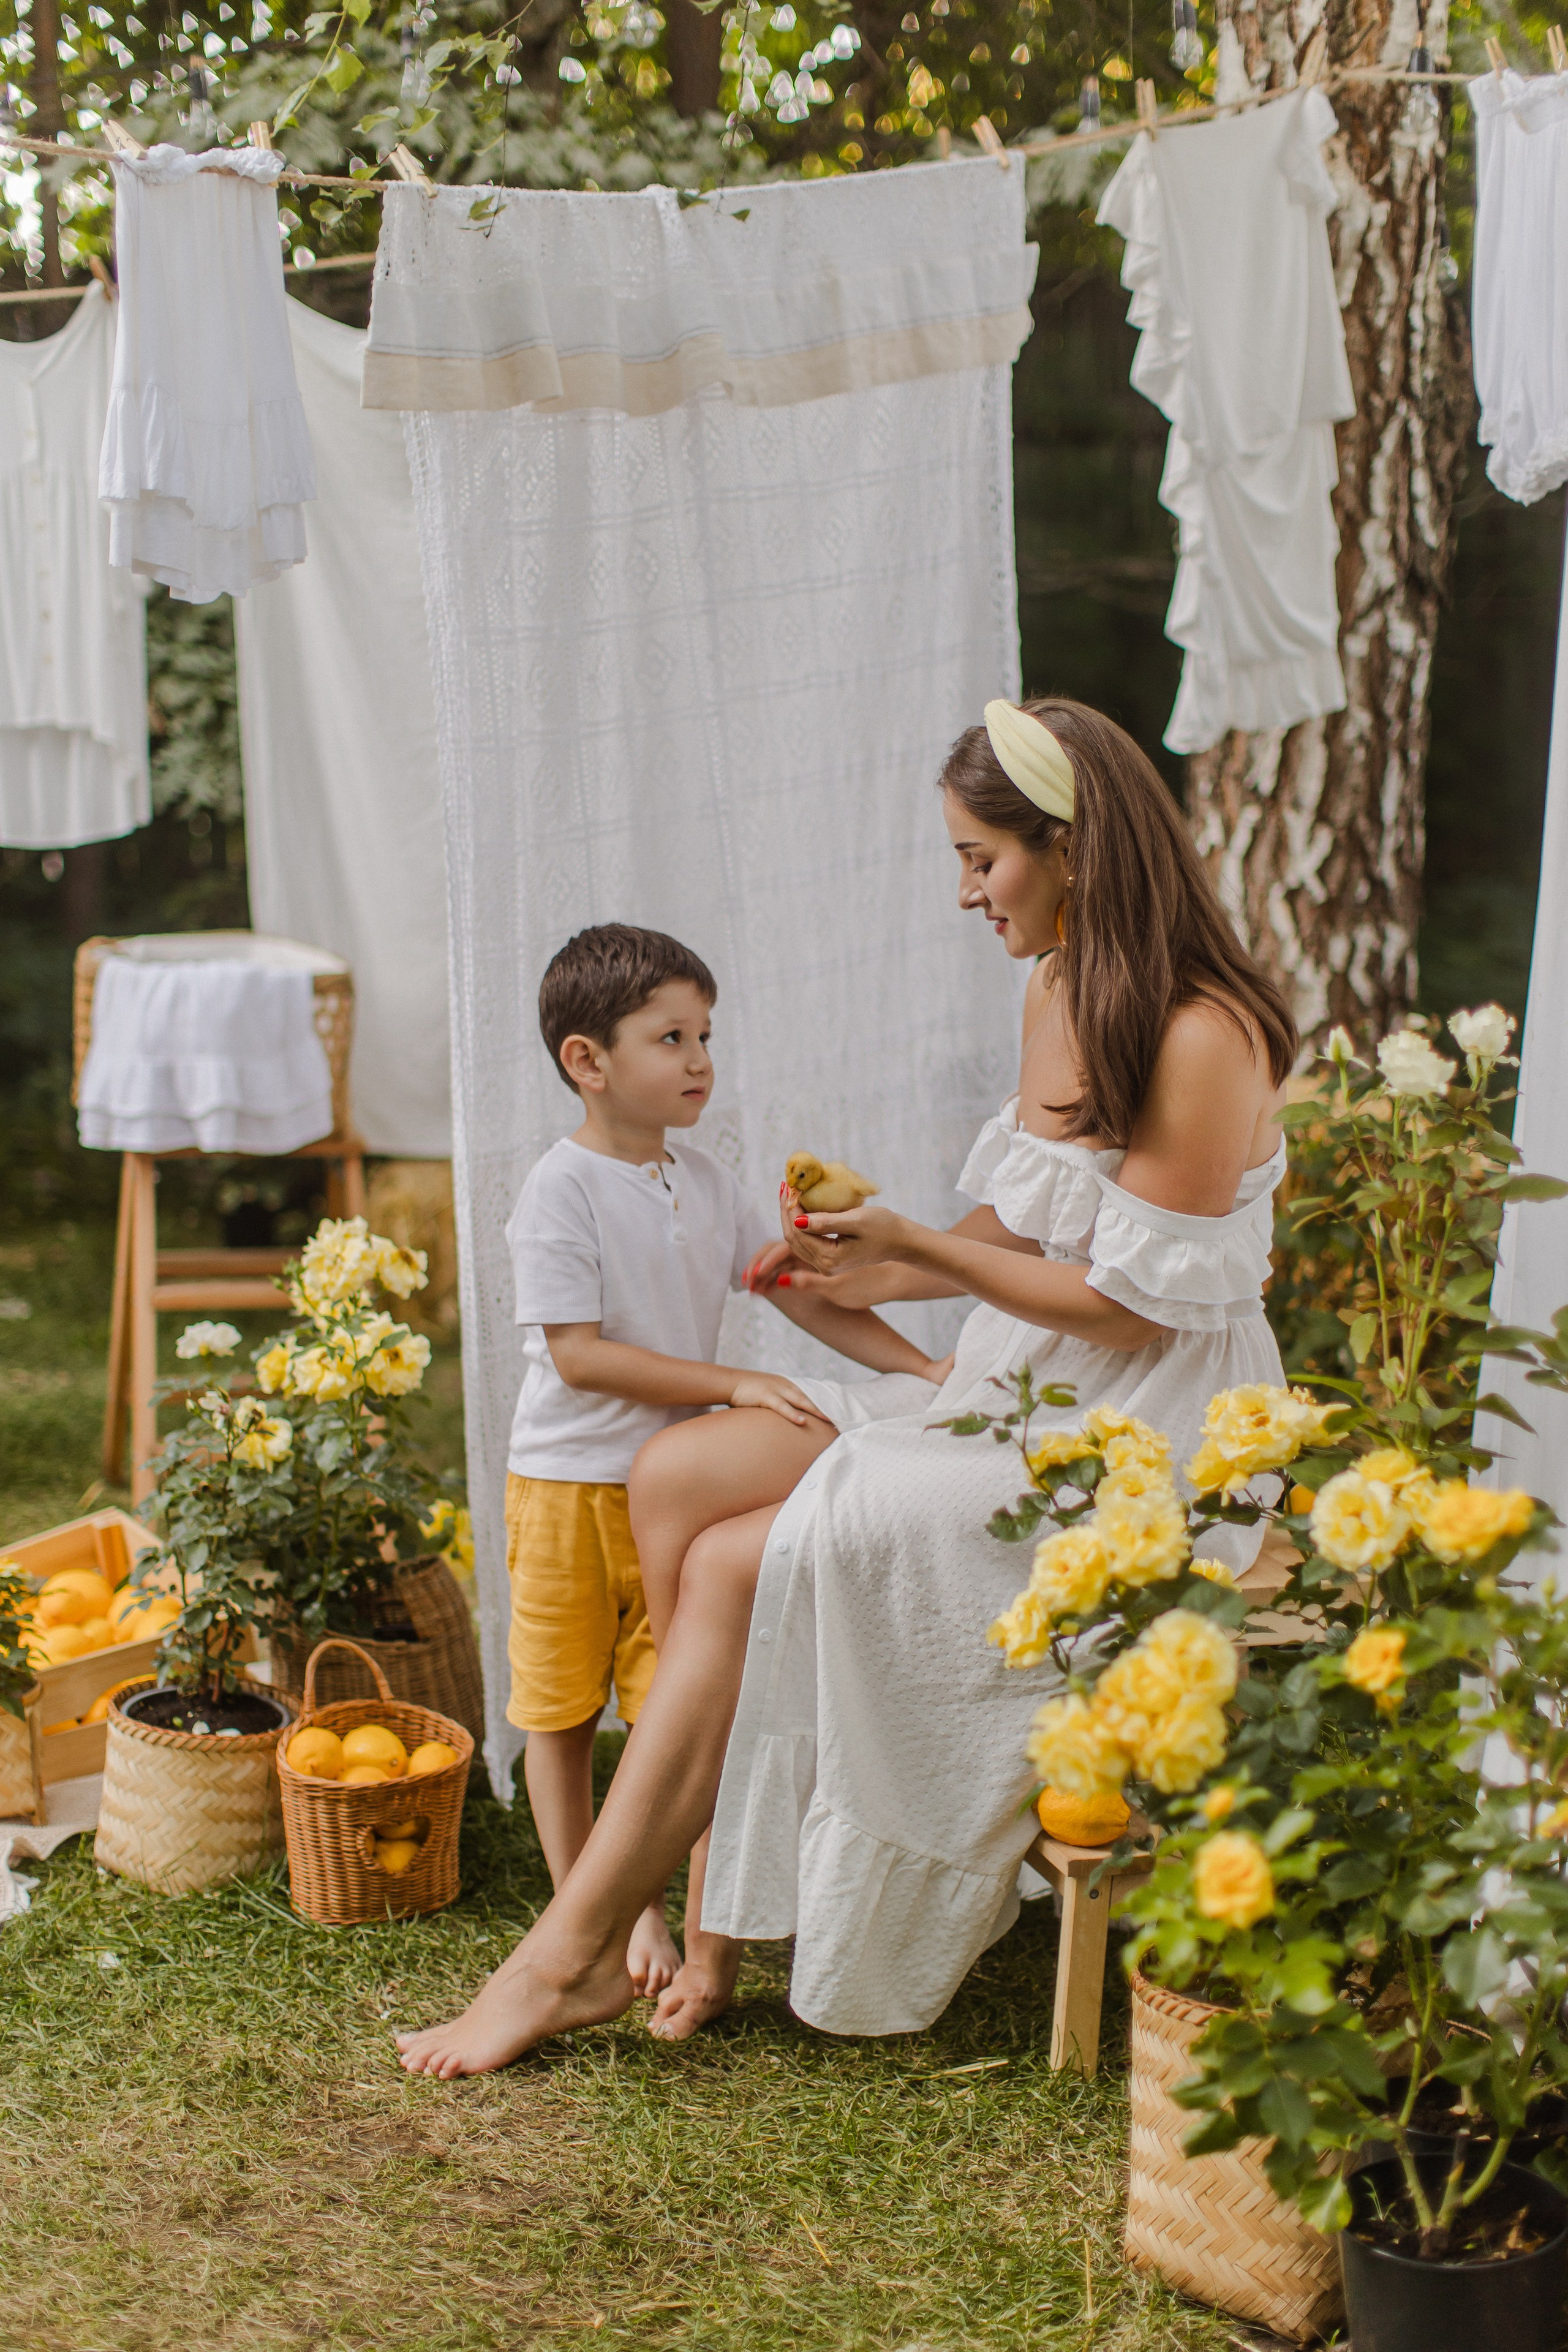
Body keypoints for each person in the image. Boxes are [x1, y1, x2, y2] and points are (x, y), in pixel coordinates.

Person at [396, 700, 1297, 2078]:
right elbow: (1031, 1227)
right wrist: (863, 1277)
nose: (963, 891)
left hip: (1137, 1435)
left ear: (1072, 844)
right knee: (677, 1471)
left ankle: (582, 1949)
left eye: (980, 858)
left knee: (739, 1569)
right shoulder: (1056, 988)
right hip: (1028, 1380)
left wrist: (923, 1253)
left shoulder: (1202, 1035)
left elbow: (1129, 1304)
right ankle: (675, 1896)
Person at [493, 922, 948, 2002]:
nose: (701, 1060)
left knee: (675, 1709)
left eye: (706, 1035)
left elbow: (790, 1289)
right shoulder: (558, 1190)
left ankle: (669, 1922)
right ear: (587, 1063)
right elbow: (581, 1355)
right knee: (558, 1712)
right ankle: (595, 1920)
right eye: (671, 1038)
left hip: (673, 1495)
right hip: (565, 1487)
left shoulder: (705, 1178)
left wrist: (927, 1371)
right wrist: (734, 1386)